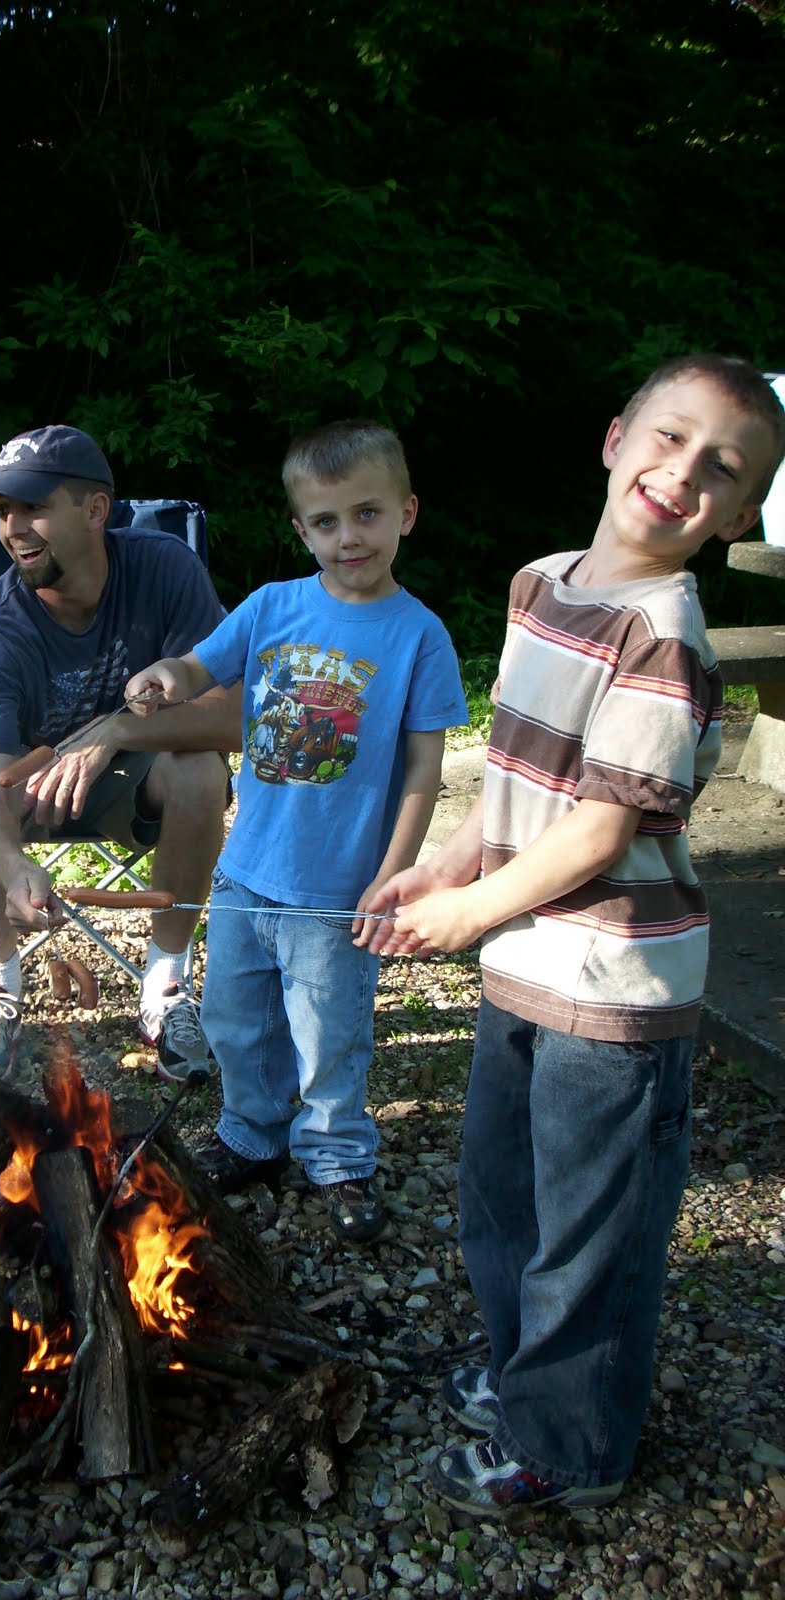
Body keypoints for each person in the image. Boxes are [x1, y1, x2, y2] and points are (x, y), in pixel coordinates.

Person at [367, 354, 785, 1511]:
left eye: (722, 469)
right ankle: (526, 1378)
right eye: (669, 437)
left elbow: (600, 830)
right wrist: (445, 865)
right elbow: (518, 771)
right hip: (525, 959)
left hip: (613, 984)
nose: (683, 473)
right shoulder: (541, 584)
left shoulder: (665, 634)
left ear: (738, 518)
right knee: (502, 1195)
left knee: (592, 1232)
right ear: (614, 440)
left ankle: (572, 1446)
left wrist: (469, 913)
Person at [126, 420, 468, 1240]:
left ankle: (339, 1155)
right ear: (300, 529)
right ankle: (252, 1132)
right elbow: (199, 667)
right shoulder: (271, 608)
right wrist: (167, 675)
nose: (349, 537)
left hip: (337, 886)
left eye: (367, 514)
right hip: (247, 870)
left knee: (329, 1032)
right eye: (326, 521)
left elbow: (424, 770)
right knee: (234, 1019)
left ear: (407, 513)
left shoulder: (419, 636)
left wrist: (395, 871)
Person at [0, 424, 239, 1082]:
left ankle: (166, 988)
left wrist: (116, 732)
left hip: (127, 770)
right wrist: (14, 869)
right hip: (25, 777)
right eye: (4, 511)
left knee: (199, 771)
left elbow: (238, 716)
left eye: (34, 507)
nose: (13, 528)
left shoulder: (164, 570)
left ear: (95, 510)